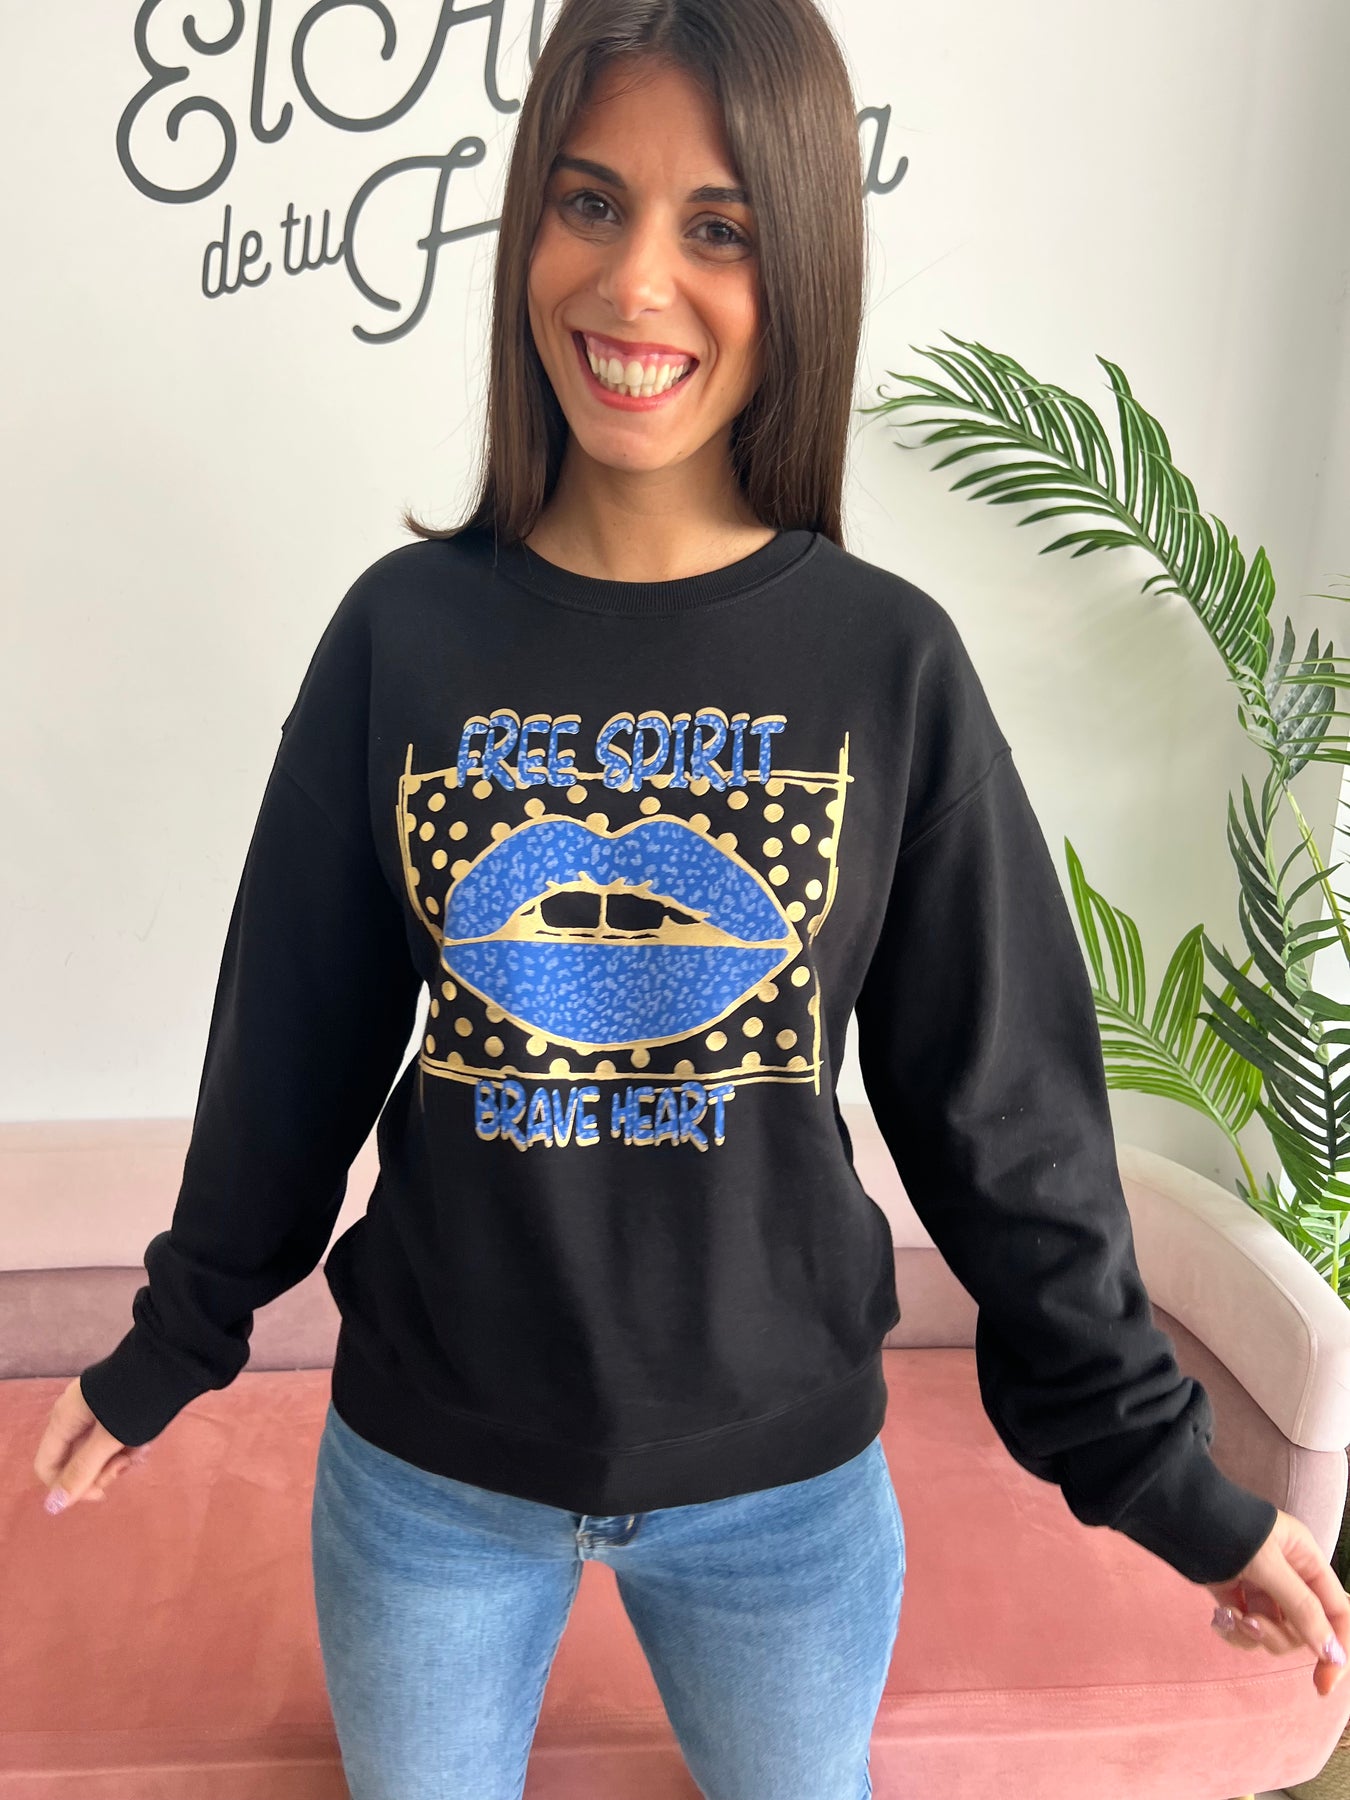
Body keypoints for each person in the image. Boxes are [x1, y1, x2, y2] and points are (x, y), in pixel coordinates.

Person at [32, 0, 1350, 1794]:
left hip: (781, 1499)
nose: (634, 280)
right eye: (589, 202)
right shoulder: (401, 639)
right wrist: (172, 1341)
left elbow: (1004, 1123)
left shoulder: (885, 664)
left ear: (793, 265)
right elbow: (293, 1046)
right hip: (429, 1476)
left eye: (715, 226)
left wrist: (1163, 1480)